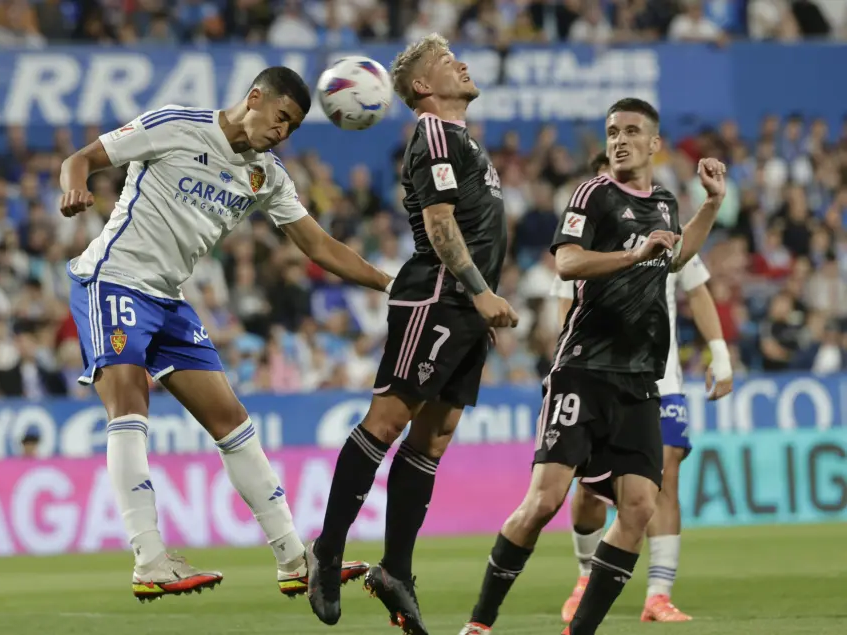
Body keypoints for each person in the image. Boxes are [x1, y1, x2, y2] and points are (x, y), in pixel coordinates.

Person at [60, 67, 389, 602]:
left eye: (294, 127)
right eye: (280, 117)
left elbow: (321, 247)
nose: (282, 132)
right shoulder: (175, 125)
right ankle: (149, 559)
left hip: (168, 300)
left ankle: (293, 557)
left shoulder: (267, 175)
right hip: (113, 278)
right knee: (129, 403)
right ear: (254, 98)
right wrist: (75, 185)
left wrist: (389, 284)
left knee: (232, 421)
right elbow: (80, 159)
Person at [457, 98, 728, 635]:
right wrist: (634, 253)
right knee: (544, 501)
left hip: (640, 379)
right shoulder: (592, 194)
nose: (619, 140)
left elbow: (674, 257)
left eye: (631, 131)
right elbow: (569, 261)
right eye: (611, 132)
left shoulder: (668, 203)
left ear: (654, 144)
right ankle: (479, 625)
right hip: (584, 369)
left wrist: (711, 206)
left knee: (639, 506)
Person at [305, 34, 518, 635]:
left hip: (466, 310)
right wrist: (478, 290)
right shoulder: (433, 133)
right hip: (438, 297)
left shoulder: (463, 140)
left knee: (435, 437)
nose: (465, 63)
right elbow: (440, 223)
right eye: (450, 62)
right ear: (424, 86)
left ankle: (396, 569)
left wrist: (480, 302)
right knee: (388, 420)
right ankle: (327, 551)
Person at [550, 153, 734, 624]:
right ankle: (586, 576)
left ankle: (658, 594)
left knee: (665, 478)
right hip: (594, 374)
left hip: (660, 377)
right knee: (590, 491)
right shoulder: (583, 239)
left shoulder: (663, 221)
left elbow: (696, 289)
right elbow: (562, 311)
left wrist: (721, 354)